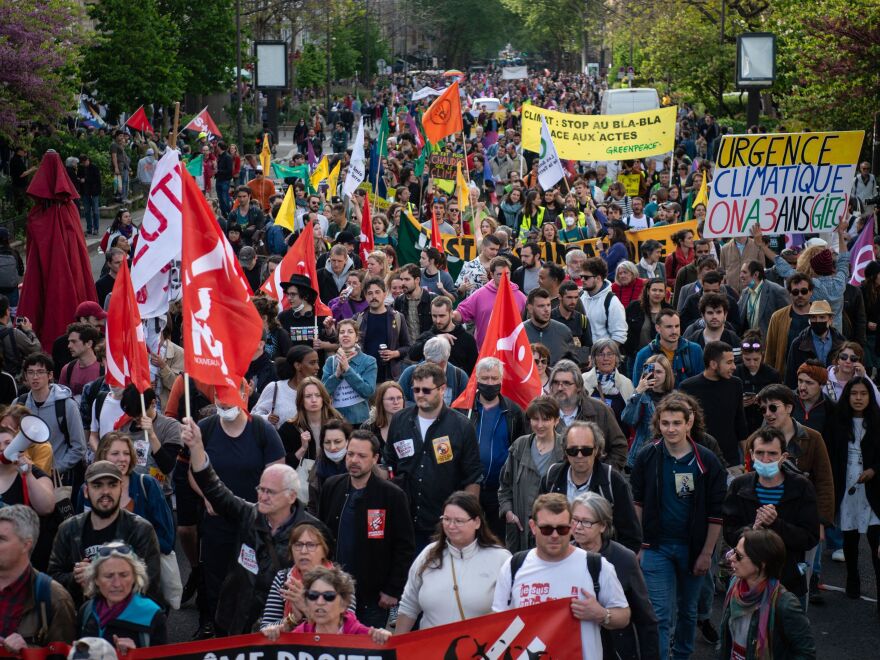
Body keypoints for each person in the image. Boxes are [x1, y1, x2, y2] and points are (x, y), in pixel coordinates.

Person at [181, 416, 329, 635]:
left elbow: (326, 586)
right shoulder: (249, 514)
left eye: (270, 491)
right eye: (261, 489)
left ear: (291, 496)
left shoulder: (313, 533)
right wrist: (196, 448)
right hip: (234, 619)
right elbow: (215, 489)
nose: (262, 496)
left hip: (281, 627)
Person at [629, 396, 726, 660]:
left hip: (692, 548)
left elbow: (716, 513)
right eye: (665, 423)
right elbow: (637, 501)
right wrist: (638, 544)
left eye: (676, 423)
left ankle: (682, 655)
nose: (671, 429)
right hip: (656, 547)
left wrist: (707, 553)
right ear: (658, 424)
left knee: (687, 611)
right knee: (659, 614)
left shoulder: (706, 460)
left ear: (688, 423)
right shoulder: (647, 455)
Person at [491, 493, 631, 660]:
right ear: (533, 527)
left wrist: (601, 614)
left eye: (562, 529)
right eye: (546, 529)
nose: (555, 535)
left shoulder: (597, 566)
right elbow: (498, 626)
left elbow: (624, 616)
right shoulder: (514, 566)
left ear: (571, 527)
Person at [317, 430, 415, 627]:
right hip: (332, 589)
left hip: (371, 596)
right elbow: (321, 535)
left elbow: (404, 546)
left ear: (375, 458)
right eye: (350, 454)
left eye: (361, 456)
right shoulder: (331, 486)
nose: (354, 460)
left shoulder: (392, 495)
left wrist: (392, 589)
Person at [383, 363, 483, 550]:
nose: (420, 395)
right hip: (405, 522)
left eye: (426, 390)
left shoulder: (461, 426)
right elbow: (389, 464)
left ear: (442, 389)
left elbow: (473, 477)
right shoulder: (400, 420)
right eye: (416, 390)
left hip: (444, 524)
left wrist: (465, 520)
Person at [723, 426, 820, 602]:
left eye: (772, 454)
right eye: (760, 453)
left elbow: (809, 538)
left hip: (787, 581)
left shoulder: (801, 487)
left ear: (783, 456)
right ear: (751, 454)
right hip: (745, 581)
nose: (765, 459)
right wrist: (753, 530)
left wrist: (776, 524)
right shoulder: (739, 486)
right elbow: (729, 532)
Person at [48, 461, 162, 608]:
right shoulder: (68, 529)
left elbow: (150, 585)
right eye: (97, 485)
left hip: (126, 620)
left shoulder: (141, 530)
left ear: (121, 488)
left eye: (112, 485)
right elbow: (52, 579)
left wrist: (107, 577)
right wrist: (76, 578)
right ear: (86, 491)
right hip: (80, 621)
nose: (105, 491)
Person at [396, 491, 510, 632]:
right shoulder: (428, 554)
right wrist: (396, 648)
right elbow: (409, 605)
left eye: (459, 521)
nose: (451, 526)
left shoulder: (500, 558)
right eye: (446, 519)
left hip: (479, 649)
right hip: (432, 650)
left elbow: (512, 609)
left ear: (477, 522)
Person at [571, 493, 659, 660]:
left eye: (587, 522)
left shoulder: (623, 558)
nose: (578, 527)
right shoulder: (563, 557)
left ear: (603, 526)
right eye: (574, 520)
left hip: (615, 649)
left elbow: (646, 618)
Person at [538, 419, 641, 553]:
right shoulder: (552, 477)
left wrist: (612, 564)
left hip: (601, 562)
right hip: (559, 559)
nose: (579, 455)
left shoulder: (612, 481)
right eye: (573, 450)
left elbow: (631, 535)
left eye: (586, 450)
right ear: (565, 451)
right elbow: (539, 521)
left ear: (596, 449)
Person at [453, 357, 526, 539]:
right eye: (485, 378)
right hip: (467, 487)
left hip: (499, 490)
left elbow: (519, 449)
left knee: (496, 540)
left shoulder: (514, 412)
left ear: (501, 380)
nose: (490, 383)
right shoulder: (463, 409)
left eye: (494, 378)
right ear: (477, 379)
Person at [749, 384, 836, 532]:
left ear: (789, 408)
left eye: (773, 407)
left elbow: (824, 482)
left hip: (802, 516)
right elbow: (748, 482)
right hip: (763, 516)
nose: (768, 413)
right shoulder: (755, 440)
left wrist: (821, 521)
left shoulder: (813, 438)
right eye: (763, 409)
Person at [718, 528, 816, 659]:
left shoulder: (785, 604)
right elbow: (725, 639)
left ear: (762, 563)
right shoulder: (734, 585)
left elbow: (806, 653)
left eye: (739, 556)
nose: (731, 558)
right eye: (734, 552)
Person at [75, 432, 175, 556]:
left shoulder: (147, 485)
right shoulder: (87, 489)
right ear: (102, 456)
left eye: (126, 453)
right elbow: (79, 536)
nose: (122, 459)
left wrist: (130, 548)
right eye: (115, 453)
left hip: (143, 569)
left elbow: (166, 539)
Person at [831, 377, 880, 604]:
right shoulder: (838, 422)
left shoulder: (878, 422)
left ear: (870, 397)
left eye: (863, 394)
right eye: (854, 394)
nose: (858, 398)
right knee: (849, 536)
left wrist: (873, 469)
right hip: (847, 484)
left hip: (872, 488)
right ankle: (852, 579)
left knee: (874, 537)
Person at [0, 506, 76, 651]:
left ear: (26, 545)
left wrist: (27, 652)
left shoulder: (55, 598)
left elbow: (62, 656)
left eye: (2, 539)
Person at [754, 221, 850, 331]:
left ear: (812, 266)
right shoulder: (840, 283)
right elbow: (844, 261)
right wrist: (841, 234)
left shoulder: (810, 284)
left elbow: (784, 267)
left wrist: (762, 246)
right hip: (836, 336)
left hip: (813, 336)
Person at [77, 542, 166, 650]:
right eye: (108, 576)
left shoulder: (152, 615)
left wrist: (137, 655)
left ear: (134, 577)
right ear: (96, 579)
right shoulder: (87, 610)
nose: (117, 584)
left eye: (124, 575)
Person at [18, 353, 86, 485]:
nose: (35, 377)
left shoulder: (66, 405)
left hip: (57, 477)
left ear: (50, 375)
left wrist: (58, 468)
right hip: (24, 475)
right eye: (30, 372)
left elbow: (79, 446)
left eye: (40, 372)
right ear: (25, 376)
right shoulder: (19, 404)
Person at [548, 360, 628, 469]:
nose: (560, 387)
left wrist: (602, 474)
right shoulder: (543, 411)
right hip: (553, 481)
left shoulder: (600, 410)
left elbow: (619, 447)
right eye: (556, 383)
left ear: (579, 387)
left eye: (566, 383)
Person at [680, 341, 749, 466]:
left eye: (733, 361)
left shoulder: (735, 384)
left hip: (730, 458)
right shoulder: (688, 387)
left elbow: (740, 423)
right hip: (698, 457)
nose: (734, 366)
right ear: (713, 364)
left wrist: (747, 457)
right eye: (729, 362)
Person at [259, 523, 334, 636]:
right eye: (298, 545)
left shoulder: (340, 581)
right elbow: (266, 627)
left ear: (324, 550)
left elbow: (343, 630)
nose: (303, 551)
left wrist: (306, 607)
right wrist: (292, 620)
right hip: (291, 651)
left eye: (311, 545)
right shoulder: (283, 578)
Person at [288, 566, 391, 644]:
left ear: (344, 604)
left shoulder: (367, 637)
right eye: (313, 595)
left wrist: (387, 640)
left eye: (329, 596)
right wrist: (274, 637)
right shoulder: (298, 636)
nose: (319, 602)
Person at [454, 257, 526, 344]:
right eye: (500, 274)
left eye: (507, 273)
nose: (504, 277)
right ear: (491, 275)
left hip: (511, 350)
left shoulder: (520, 297)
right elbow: (461, 313)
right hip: (485, 350)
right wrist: (449, 315)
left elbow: (528, 323)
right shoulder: (480, 295)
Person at [621, 354, 675, 470]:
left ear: (667, 374)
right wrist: (638, 391)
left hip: (670, 453)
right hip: (643, 455)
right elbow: (628, 419)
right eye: (651, 371)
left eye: (659, 372)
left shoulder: (676, 398)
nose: (654, 375)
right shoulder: (641, 396)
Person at [321, 319, 377, 425]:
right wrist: (337, 375)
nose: (345, 335)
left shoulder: (369, 361)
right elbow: (323, 393)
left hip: (360, 420)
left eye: (350, 332)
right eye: (342, 332)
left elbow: (368, 391)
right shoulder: (330, 361)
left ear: (356, 338)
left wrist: (347, 370)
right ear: (338, 337)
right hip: (336, 420)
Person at [355, 277, 411, 383]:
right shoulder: (358, 319)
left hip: (389, 377)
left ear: (385, 294)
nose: (374, 296)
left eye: (377, 292)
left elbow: (407, 347)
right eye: (370, 293)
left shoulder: (397, 317)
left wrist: (394, 353)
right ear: (365, 296)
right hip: (364, 378)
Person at [252, 346, 320, 429]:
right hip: (279, 441)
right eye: (312, 363)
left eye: (317, 362)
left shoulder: (318, 390)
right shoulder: (275, 388)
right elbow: (253, 416)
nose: (317, 367)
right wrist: (267, 418)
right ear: (297, 365)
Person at [631, 309, 703, 387]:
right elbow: (639, 390)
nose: (674, 331)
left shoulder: (695, 350)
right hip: (655, 399)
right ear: (658, 328)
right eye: (669, 327)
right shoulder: (644, 354)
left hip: (686, 398)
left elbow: (701, 386)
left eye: (677, 326)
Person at [409, 295, 479, 374]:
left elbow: (473, 370)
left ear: (451, 314)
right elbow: (412, 355)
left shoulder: (467, 339)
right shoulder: (427, 335)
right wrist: (435, 338)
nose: (438, 320)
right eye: (434, 316)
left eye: (442, 316)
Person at [784, 300, 846, 387]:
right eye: (813, 317)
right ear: (809, 320)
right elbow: (790, 377)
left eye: (822, 317)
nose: (817, 321)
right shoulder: (798, 344)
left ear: (830, 319)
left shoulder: (841, 343)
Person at [765, 273, 815, 374]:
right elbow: (770, 351)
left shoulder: (821, 316)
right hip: (786, 375)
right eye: (795, 292)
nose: (800, 295)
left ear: (811, 292)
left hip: (814, 376)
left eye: (804, 291)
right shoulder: (777, 317)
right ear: (790, 293)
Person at [736, 331, 783, 435]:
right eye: (747, 359)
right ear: (742, 356)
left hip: (765, 422)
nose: (752, 363)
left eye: (756, 359)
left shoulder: (772, 374)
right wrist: (739, 403)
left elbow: (779, 400)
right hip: (742, 422)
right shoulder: (735, 372)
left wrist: (761, 400)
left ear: (762, 355)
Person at [582, 340, 634, 429]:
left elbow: (631, 417)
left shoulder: (626, 383)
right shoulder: (582, 380)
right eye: (601, 354)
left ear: (617, 357)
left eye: (610, 354)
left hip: (618, 438)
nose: (606, 358)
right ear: (594, 358)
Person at [579, 257, 627, 345]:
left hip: (601, 354)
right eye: (581, 276)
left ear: (598, 278)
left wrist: (605, 354)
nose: (582, 280)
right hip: (581, 353)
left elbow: (619, 335)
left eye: (586, 277)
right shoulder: (580, 296)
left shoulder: (612, 302)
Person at [623, 277, 671, 365]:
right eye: (654, 290)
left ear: (665, 293)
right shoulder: (634, 307)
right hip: (635, 357)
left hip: (661, 358)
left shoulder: (669, 310)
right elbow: (623, 328)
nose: (657, 293)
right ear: (648, 291)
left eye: (661, 291)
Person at [523, 288, 575, 365]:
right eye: (541, 306)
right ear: (530, 308)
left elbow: (573, 364)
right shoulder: (519, 332)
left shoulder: (564, 331)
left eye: (548, 305)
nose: (546, 309)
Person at [738, 260, 790, 336]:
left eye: (744, 272)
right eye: (741, 272)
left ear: (756, 274)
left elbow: (787, 319)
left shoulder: (776, 291)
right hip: (750, 341)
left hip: (770, 342)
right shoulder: (745, 293)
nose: (741, 276)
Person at [392, 264, 435, 340]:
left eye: (407, 279)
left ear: (417, 280)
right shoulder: (399, 301)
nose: (403, 283)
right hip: (408, 349)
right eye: (401, 279)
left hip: (429, 347)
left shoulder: (432, 299)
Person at [361, 381, 405, 450]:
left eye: (399, 398)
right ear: (381, 401)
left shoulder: (412, 424)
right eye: (391, 399)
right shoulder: (368, 427)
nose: (396, 402)